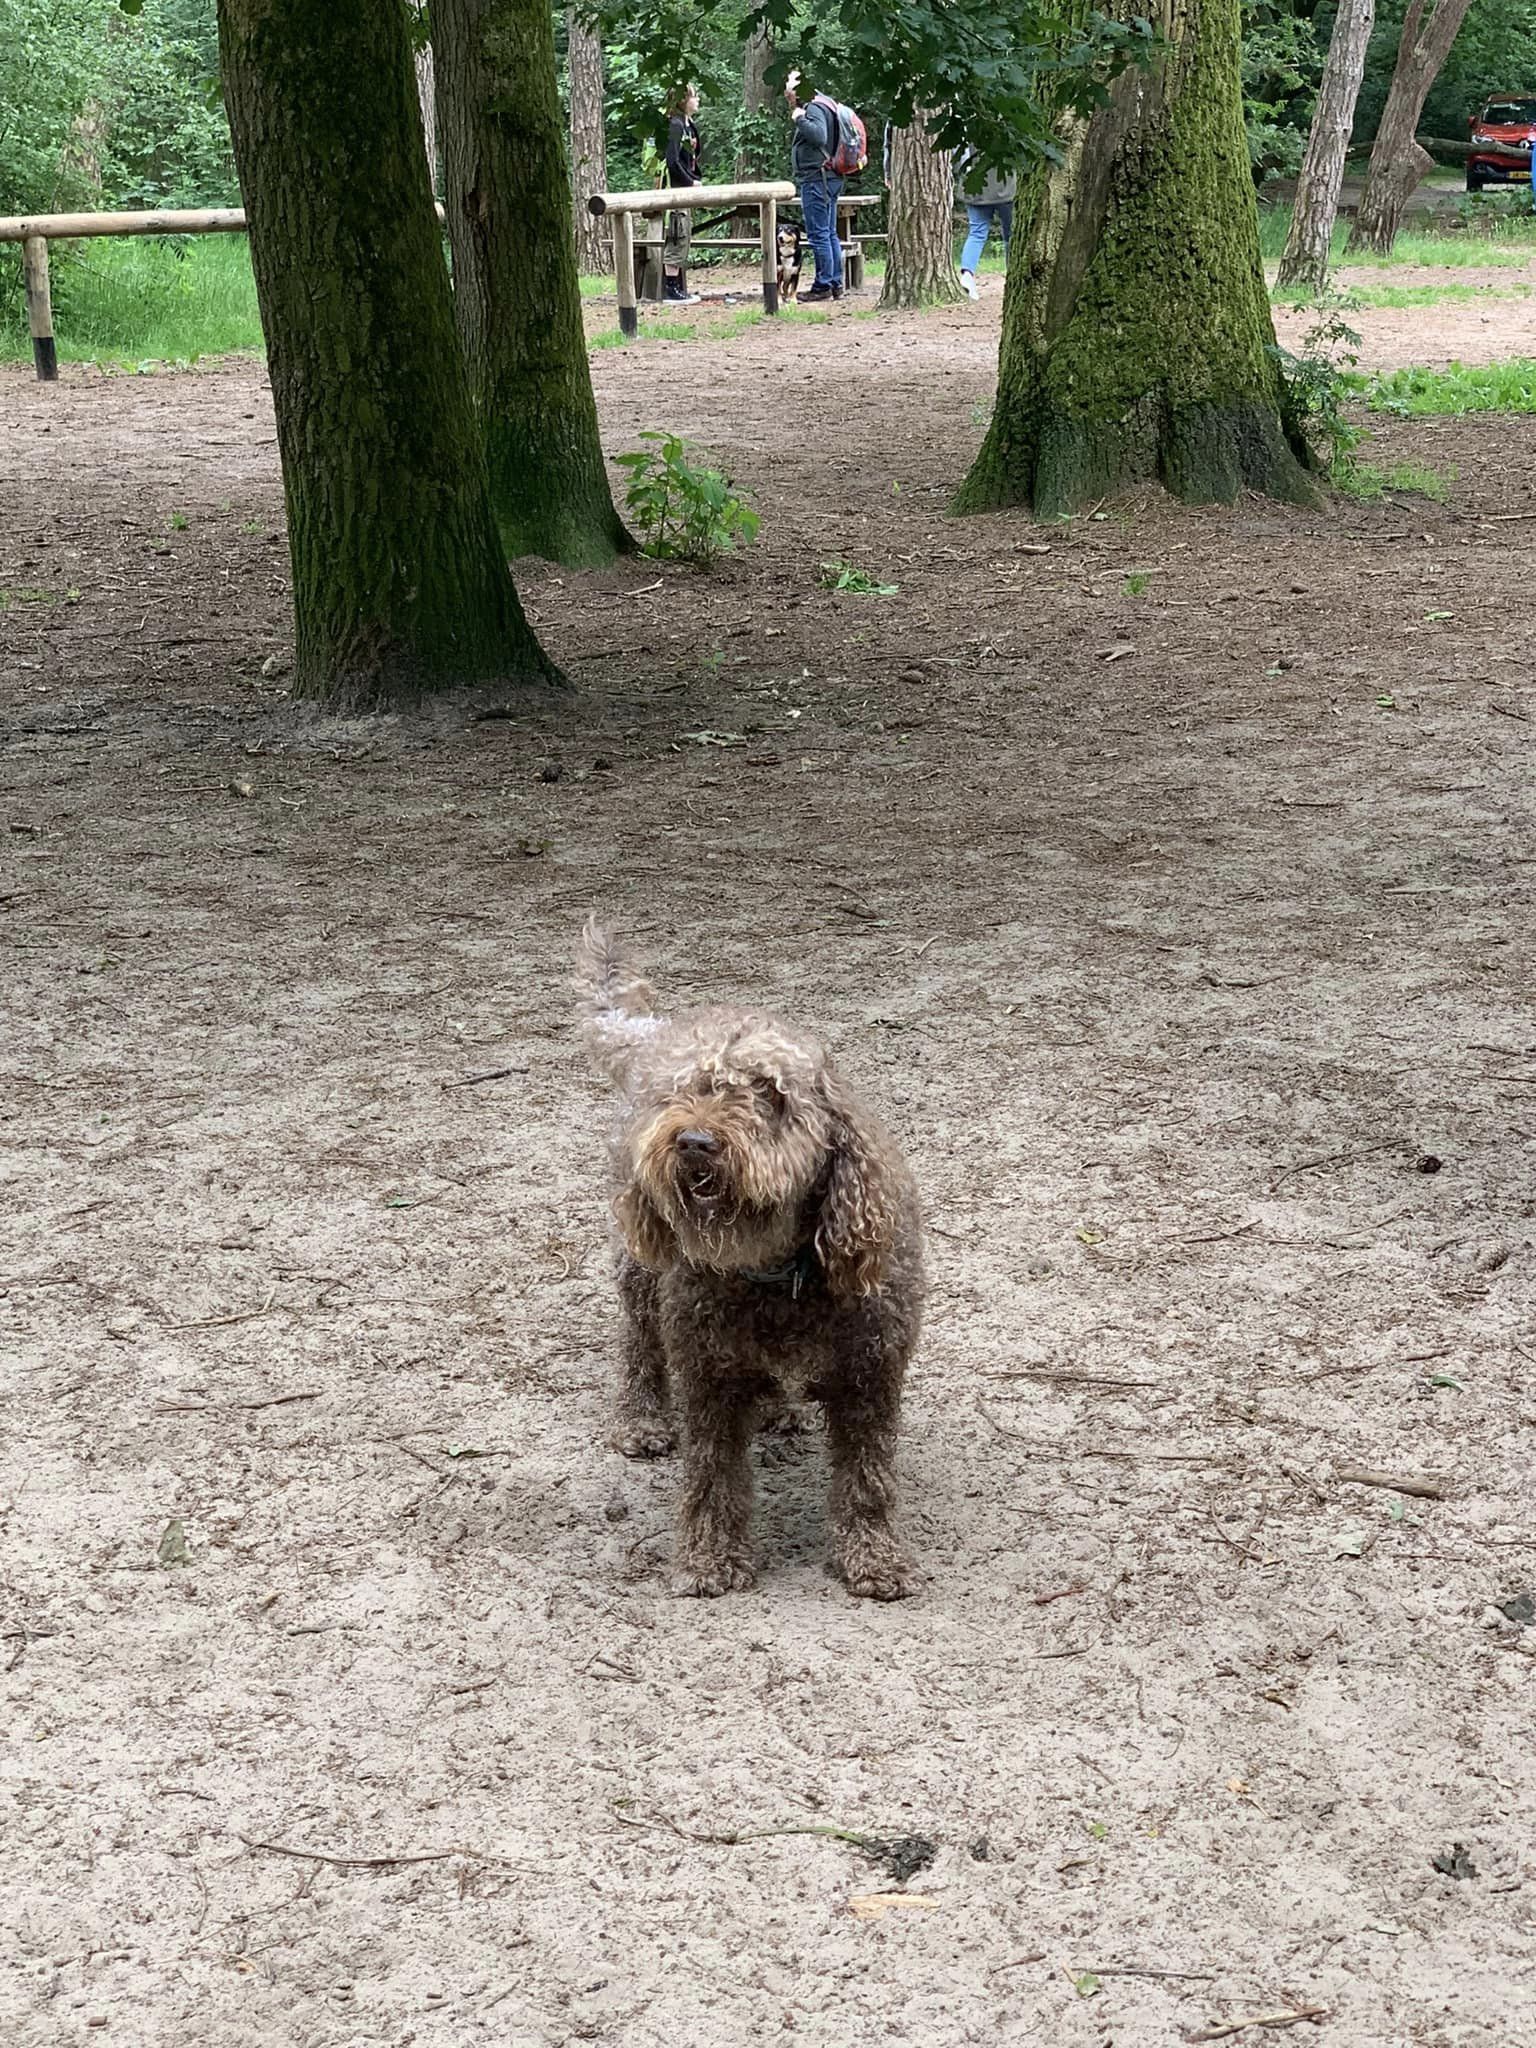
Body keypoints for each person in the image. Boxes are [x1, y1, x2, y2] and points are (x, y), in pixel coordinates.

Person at [786, 70, 843, 302]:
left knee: (819, 234)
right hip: (828, 177)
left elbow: (819, 136)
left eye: (788, 88)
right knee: (828, 233)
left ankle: (823, 286)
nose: (786, 94)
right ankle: (835, 282)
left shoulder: (814, 107)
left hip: (818, 179)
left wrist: (799, 118)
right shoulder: (825, 104)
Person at [954, 142, 1016, 301]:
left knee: (976, 233)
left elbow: (959, 154)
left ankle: (967, 275)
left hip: (975, 186)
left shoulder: (966, 120)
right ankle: (1013, 278)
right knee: (1011, 236)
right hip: (1006, 186)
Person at [663, 84, 701, 305]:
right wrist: (690, 181)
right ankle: (671, 288)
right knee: (677, 234)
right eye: (694, 97)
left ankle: (677, 286)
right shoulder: (675, 125)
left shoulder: (687, 125)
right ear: (683, 100)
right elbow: (672, 161)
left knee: (684, 234)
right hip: (677, 190)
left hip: (686, 189)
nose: (698, 100)